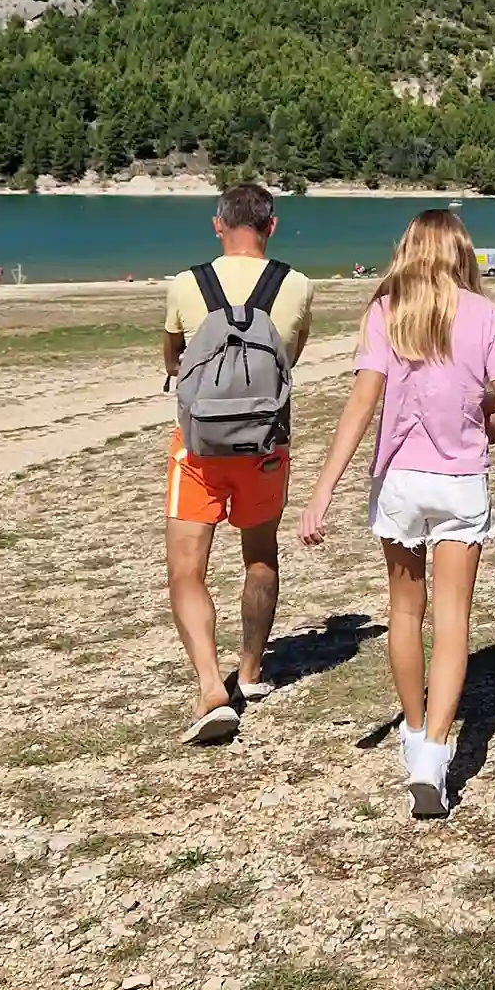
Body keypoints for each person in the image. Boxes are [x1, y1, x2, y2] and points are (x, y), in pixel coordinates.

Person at [297, 210, 495, 817]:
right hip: (460, 484)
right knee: (453, 621)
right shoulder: (488, 316)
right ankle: (434, 755)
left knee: (404, 610)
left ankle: (414, 730)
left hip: (399, 483)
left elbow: (360, 405)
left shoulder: (386, 313)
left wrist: (320, 493)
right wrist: (481, 420)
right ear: (461, 253)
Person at [161, 182, 314, 744]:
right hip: (265, 446)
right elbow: (289, 357)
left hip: (198, 447)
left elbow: (175, 358)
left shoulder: (186, 283)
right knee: (260, 556)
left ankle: (209, 686)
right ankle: (250, 672)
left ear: (216, 224)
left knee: (186, 570)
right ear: (271, 227)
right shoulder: (294, 285)